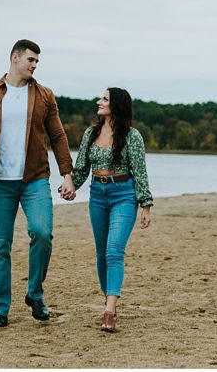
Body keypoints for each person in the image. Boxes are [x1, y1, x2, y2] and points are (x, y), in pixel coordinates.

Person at [0, 39, 76, 329]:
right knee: (0, 245)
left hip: (34, 179)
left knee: (42, 232)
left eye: (37, 61)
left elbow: (58, 136)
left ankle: (35, 294)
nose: (34, 65)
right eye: (30, 59)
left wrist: (67, 174)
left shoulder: (45, 96)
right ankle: (0, 309)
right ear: (14, 58)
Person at [59, 87, 153, 333]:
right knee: (101, 253)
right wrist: (70, 186)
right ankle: (109, 295)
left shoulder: (132, 136)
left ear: (117, 106)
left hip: (124, 194)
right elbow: (81, 169)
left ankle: (110, 311)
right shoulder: (91, 133)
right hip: (98, 195)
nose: (98, 102)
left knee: (114, 251)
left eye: (104, 99)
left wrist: (146, 204)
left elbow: (140, 171)